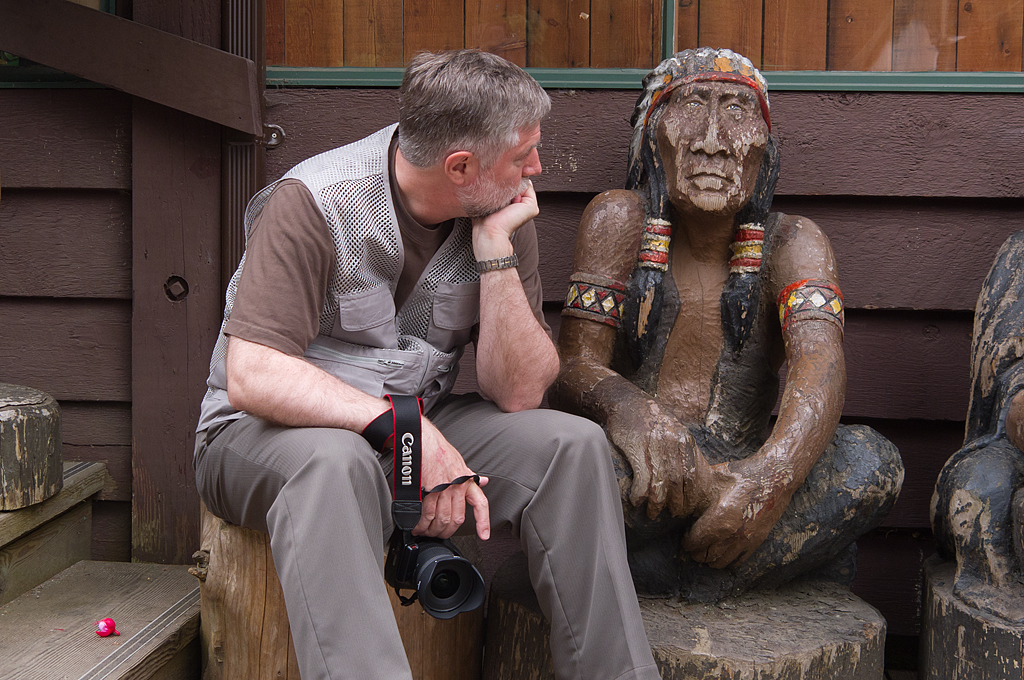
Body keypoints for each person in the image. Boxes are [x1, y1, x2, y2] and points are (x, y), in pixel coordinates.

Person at [193, 49, 662, 680]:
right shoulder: (312, 203)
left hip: (412, 431)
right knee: (333, 463)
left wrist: (496, 255)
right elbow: (253, 373)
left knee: (570, 446)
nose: (537, 169)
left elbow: (520, 392)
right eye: (523, 155)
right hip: (260, 441)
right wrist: (405, 434)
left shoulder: (499, 211)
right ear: (461, 166)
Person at [551, 48, 903, 601]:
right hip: (641, 469)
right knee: (582, 482)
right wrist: (630, 411)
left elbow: (821, 365)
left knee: (874, 462)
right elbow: (573, 368)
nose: (713, 140)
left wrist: (774, 476)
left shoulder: (794, 242)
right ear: (651, 137)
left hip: (745, 468)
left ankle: (665, 570)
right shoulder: (617, 218)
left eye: (738, 111)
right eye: (691, 106)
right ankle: (758, 562)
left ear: (767, 148)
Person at [931, 230, 1024, 623]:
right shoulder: (1019, 257)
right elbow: (1001, 368)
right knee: (979, 489)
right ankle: (997, 585)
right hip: (1012, 443)